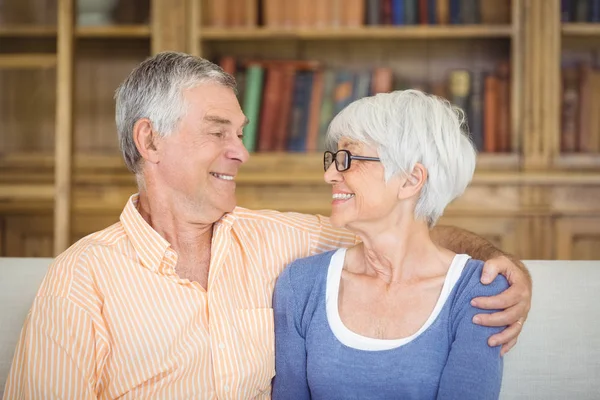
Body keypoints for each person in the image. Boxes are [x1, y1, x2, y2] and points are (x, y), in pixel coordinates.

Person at [3, 52, 531, 400]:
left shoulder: (278, 240)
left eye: (240, 132)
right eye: (218, 133)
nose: (242, 152)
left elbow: (399, 234)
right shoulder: (82, 280)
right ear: (150, 141)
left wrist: (497, 262)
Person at [272, 90, 510, 399]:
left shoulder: (478, 291)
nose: (330, 174)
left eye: (348, 158)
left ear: (411, 180)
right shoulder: (301, 283)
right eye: (332, 159)